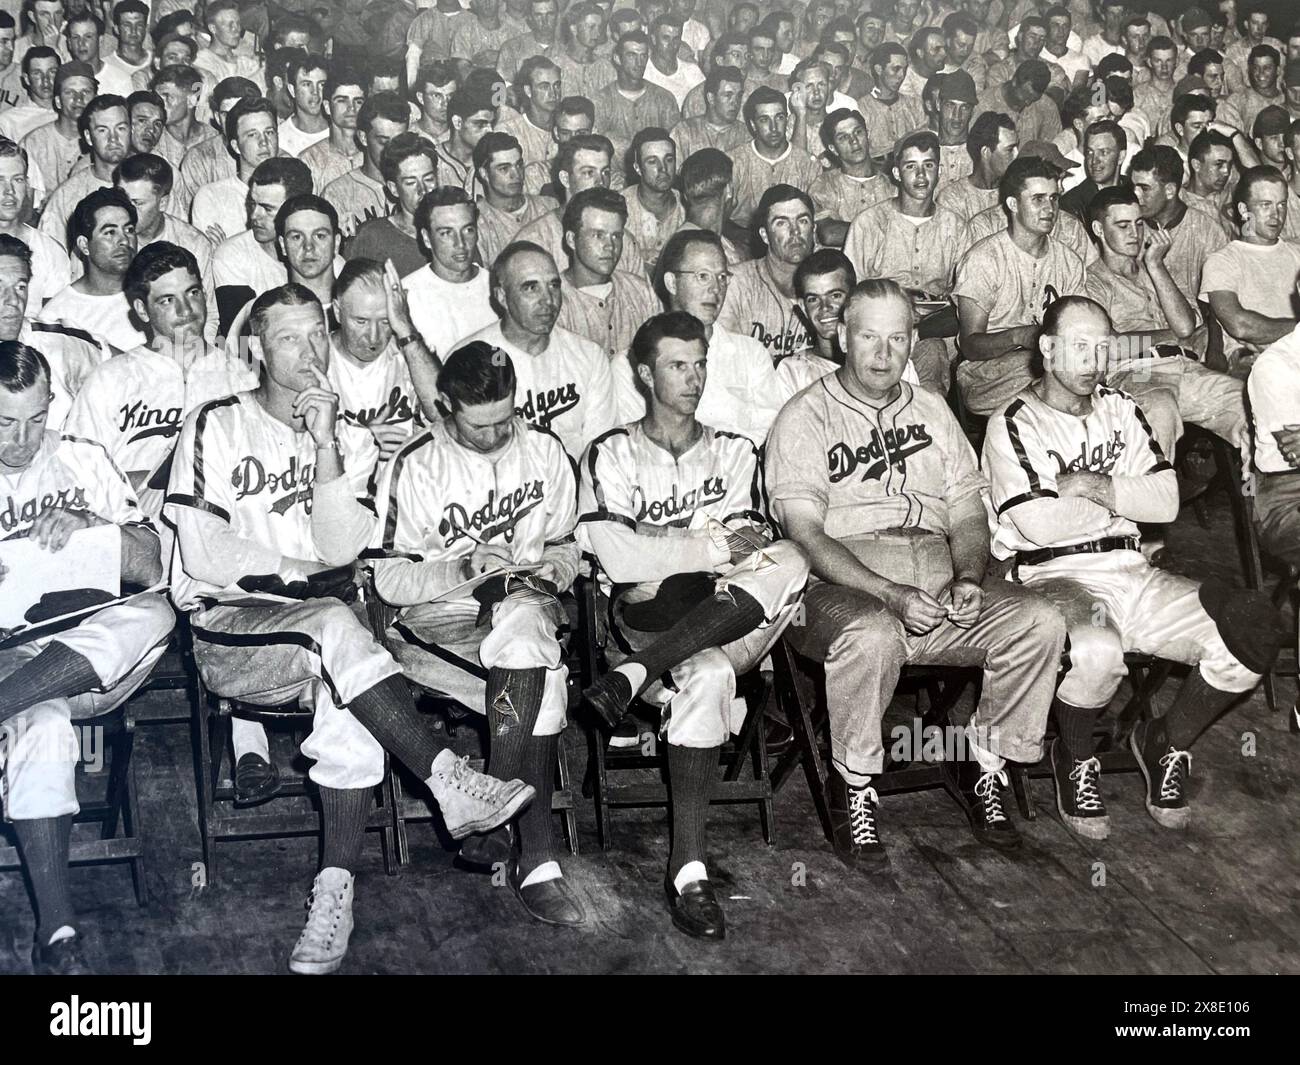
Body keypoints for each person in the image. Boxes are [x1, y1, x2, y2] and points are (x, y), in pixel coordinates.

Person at [165, 283, 535, 974]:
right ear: (256, 350)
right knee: (338, 623)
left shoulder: (353, 439)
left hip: (326, 644)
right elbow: (207, 555)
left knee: (349, 693)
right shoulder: (215, 422)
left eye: (316, 334)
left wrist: (326, 443)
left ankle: (334, 890)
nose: (309, 351)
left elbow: (340, 547)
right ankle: (446, 776)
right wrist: (299, 574)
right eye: (287, 338)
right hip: (230, 631)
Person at [767, 277, 1066, 865]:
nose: (883, 354)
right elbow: (805, 534)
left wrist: (969, 578)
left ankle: (984, 764)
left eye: (897, 338)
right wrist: (888, 593)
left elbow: (968, 513)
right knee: (873, 632)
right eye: (868, 337)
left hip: (936, 583)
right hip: (842, 588)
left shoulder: (931, 408)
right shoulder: (804, 416)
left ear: (912, 340)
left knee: (1039, 620)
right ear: (842, 336)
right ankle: (854, 784)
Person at [983, 295, 1272, 839]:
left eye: (1102, 348)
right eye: (1079, 346)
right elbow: (1039, 525)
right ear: (1047, 348)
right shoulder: (1016, 421)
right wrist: (1123, 502)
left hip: (1133, 570)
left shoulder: (1121, 407)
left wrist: (1089, 485)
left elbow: (1166, 502)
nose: (1093, 361)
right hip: (1055, 575)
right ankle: (1074, 756)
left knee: (1250, 629)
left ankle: (1164, 740)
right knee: (1098, 650)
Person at [579, 310, 809, 939]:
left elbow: (754, 547)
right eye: (677, 365)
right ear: (644, 373)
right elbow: (621, 563)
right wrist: (705, 545)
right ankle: (688, 870)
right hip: (644, 621)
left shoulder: (735, 450)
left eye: (700, 363)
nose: (693, 378)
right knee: (705, 674)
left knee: (792, 558)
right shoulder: (611, 451)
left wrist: (659, 542)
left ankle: (635, 677)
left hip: (728, 616)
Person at [372, 339, 585, 925]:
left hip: (524, 604)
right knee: (542, 678)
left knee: (526, 633)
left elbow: (568, 543)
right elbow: (387, 578)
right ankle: (536, 859)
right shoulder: (414, 462)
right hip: (440, 619)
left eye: (504, 420)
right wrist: (462, 567)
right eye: (478, 424)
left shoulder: (545, 450)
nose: (494, 435)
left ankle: (494, 814)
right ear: (445, 404)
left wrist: (555, 568)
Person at [0, 339, 174, 975]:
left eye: (36, 417)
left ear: (54, 403)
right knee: (42, 725)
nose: (23, 439)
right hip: (10, 652)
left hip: (90, 653)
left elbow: (152, 567)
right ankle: (57, 929)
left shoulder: (82, 457)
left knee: (156, 614)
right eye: (4, 423)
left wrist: (94, 525)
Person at [62, 241, 256, 516]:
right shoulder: (111, 378)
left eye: (192, 293)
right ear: (142, 310)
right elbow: (75, 470)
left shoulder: (241, 377)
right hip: (130, 525)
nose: (186, 310)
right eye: (167, 300)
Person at [1083, 185, 1246, 456]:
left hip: (1184, 366)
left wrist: (1156, 265)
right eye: (1123, 226)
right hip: (1137, 371)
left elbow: (1185, 325)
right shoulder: (1092, 282)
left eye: (1138, 223)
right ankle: (1156, 483)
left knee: (1246, 402)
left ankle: (1260, 483)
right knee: (1160, 411)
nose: (1134, 233)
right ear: (1099, 229)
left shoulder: (1154, 266)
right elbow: (1111, 347)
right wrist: (1173, 337)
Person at [612, 228, 782, 443]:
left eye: (722, 277)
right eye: (702, 276)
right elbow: (633, 443)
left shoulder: (751, 354)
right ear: (672, 283)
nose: (715, 289)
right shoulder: (629, 365)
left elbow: (770, 434)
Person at [456, 240, 617, 459]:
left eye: (553, 285)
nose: (548, 300)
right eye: (531, 288)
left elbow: (600, 452)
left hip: (576, 477)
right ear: (502, 297)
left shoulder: (589, 356)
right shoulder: (469, 360)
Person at [954, 155, 1087, 417]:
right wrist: (1018, 336)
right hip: (988, 373)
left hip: (1054, 363)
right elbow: (970, 346)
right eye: (1038, 199)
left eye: (1054, 198)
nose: (1049, 208)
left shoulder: (1069, 261)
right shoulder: (984, 258)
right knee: (1056, 384)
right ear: (1013, 204)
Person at [843, 128, 970, 393]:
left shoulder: (955, 226)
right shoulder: (869, 223)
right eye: (911, 166)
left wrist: (926, 327)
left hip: (932, 333)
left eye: (929, 165)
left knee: (932, 361)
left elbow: (965, 300)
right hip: (877, 329)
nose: (921, 175)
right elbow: (849, 294)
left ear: (939, 171)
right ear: (897, 173)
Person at [327, 257, 440, 459]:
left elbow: (441, 411)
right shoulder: (318, 358)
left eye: (385, 322)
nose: (373, 337)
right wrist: (367, 446)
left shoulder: (407, 353)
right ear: (337, 311)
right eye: (361, 321)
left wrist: (405, 327)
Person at [778, 247, 922, 400]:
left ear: (854, 297)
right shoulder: (792, 371)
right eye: (813, 299)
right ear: (803, 307)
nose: (825, 307)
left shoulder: (889, 364)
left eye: (835, 295)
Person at [1200, 164, 1300, 357]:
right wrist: (1298, 328)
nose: (1276, 214)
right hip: (1256, 364)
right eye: (1265, 205)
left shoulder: (1296, 253)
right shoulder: (1222, 261)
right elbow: (1240, 325)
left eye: (1281, 204)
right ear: (1244, 210)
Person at [514, 133, 648, 274]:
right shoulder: (534, 240)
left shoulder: (623, 241)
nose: (600, 182)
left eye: (605, 172)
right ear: (565, 179)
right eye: (589, 173)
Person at [211, 157, 314, 335]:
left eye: (267, 209)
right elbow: (241, 338)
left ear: (297, 209)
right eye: (253, 204)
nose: (254, 216)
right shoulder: (231, 256)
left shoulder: (326, 257)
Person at [554, 186, 659, 359]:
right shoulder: (554, 301)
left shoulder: (641, 292)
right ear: (572, 240)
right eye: (598, 235)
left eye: (616, 236)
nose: (610, 246)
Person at [39, 186, 145, 353]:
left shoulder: (155, 293)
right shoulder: (58, 315)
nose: (124, 240)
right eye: (110, 232)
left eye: (129, 230)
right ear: (84, 245)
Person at [718, 183, 814, 361]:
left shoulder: (828, 285)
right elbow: (726, 360)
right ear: (764, 235)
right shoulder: (735, 284)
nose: (795, 231)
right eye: (781, 223)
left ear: (813, 230)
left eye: (803, 221)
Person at [1128, 144, 1232, 308]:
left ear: (1169, 190)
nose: (1136, 195)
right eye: (1133, 187)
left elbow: (1222, 300)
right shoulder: (1126, 227)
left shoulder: (1207, 231)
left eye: (1144, 189)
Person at [400, 187, 498, 357]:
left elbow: (504, 358)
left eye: (468, 230)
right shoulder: (407, 295)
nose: (460, 243)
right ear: (426, 238)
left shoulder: (496, 288)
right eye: (446, 233)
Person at [346, 132, 439, 277]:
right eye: (411, 183)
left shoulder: (456, 230)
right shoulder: (370, 237)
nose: (423, 190)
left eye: (428, 179)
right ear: (394, 188)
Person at [189, 96, 281, 242]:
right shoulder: (211, 197)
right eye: (252, 135)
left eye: (269, 132)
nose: (264, 142)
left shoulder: (293, 189)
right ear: (236, 146)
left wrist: (228, 247)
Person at [323, 91, 410, 240]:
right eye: (384, 142)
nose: (393, 151)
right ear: (363, 137)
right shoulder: (337, 193)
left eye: (400, 142)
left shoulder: (417, 185)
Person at [0, 137, 68, 306]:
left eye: (17, 179)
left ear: (27, 185)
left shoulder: (49, 251)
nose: (9, 191)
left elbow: (55, 317)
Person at [592, 30, 681, 158]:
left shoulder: (664, 98)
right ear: (617, 59)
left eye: (643, 56)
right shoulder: (601, 101)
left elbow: (675, 146)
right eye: (631, 55)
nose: (639, 63)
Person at [21, 60, 97, 204]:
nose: (78, 99)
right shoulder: (33, 143)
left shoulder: (103, 141)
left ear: (95, 98)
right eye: (69, 92)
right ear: (58, 101)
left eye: (86, 92)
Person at [937, 109, 1019, 223]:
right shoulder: (951, 199)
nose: (1017, 155)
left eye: (1017, 147)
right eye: (1010, 150)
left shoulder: (1019, 192)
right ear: (985, 152)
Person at [621, 126, 683, 272]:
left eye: (669, 159)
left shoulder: (688, 205)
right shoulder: (619, 206)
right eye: (652, 161)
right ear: (637, 168)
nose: (663, 168)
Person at [298, 66, 365, 195]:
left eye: (358, 101)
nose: (351, 108)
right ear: (327, 107)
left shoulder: (375, 155)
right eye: (342, 100)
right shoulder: (309, 160)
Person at [857, 42, 925, 157]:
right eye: (896, 69)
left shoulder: (915, 105)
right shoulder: (862, 108)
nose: (902, 75)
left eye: (904, 69)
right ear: (879, 69)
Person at [671, 63, 747, 160]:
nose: (735, 103)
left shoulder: (746, 135)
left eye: (739, 96)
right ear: (711, 98)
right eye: (728, 95)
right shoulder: (684, 131)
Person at [976, 58, 1062, 144]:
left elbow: (1052, 145)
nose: (1028, 103)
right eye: (1025, 98)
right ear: (1014, 81)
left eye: (1033, 100)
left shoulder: (1046, 106)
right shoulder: (983, 105)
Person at [1060, 119, 1127, 220]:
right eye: (1090, 152)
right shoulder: (1071, 206)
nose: (1094, 161)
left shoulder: (1134, 189)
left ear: (1121, 156)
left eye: (1103, 152)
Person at [0, 46, 58, 145]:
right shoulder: (9, 122)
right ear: (27, 79)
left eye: (52, 72)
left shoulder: (71, 114)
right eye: (37, 73)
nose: (46, 80)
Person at [278, 52, 329, 157]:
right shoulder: (281, 137)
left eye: (322, 84)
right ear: (292, 90)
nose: (315, 92)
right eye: (306, 84)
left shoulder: (339, 132)